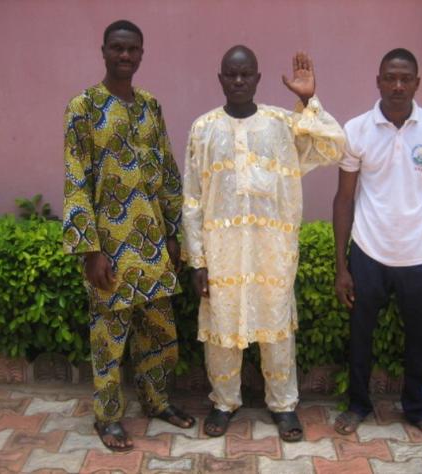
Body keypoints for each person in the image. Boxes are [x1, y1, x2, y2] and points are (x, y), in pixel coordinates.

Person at [182, 45, 345, 442]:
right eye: (231, 74)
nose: (238, 80)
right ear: (220, 79)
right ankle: (224, 402)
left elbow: (333, 146)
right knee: (221, 329)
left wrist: (308, 100)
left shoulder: (281, 124)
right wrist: (198, 260)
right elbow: (192, 199)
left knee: (276, 329)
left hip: (273, 252)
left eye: (246, 74)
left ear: (257, 78)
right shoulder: (203, 128)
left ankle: (284, 405)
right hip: (222, 252)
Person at [62, 20, 194, 452]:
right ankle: (108, 418)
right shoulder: (83, 107)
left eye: (132, 49)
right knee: (109, 340)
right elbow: (76, 180)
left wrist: (174, 232)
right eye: (117, 48)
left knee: (159, 333)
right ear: (103, 51)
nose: (125, 55)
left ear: (141, 54)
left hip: (152, 244)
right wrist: (89, 250)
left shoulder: (150, 106)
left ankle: (158, 402)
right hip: (110, 248)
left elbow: (168, 172)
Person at [332, 48, 422, 443]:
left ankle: (417, 409)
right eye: (390, 77)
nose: (398, 85)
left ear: (417, 83)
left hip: (419, 254)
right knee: (361, 337)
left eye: (406, 79)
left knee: (420, 339)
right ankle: (358, 405)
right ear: (378, 81)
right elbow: (344, 198)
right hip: (368, 251)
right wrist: (341, 266)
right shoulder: (356, 130)